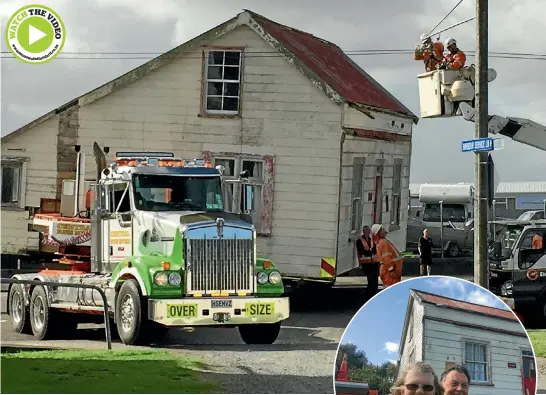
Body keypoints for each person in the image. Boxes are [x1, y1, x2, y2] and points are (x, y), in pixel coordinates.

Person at [355, 225, 379, 300]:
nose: (367, 232)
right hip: (366, 264)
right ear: (363, 231)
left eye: (368, 231)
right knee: (371, 281)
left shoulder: (371, 240)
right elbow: (361, 251)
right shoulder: (360, 240)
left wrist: (370, 252)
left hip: (374, 263)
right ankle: (368, 297)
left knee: (375, 281)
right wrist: (370, 252)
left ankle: (374, 296)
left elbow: (375, 249)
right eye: (366, 230)